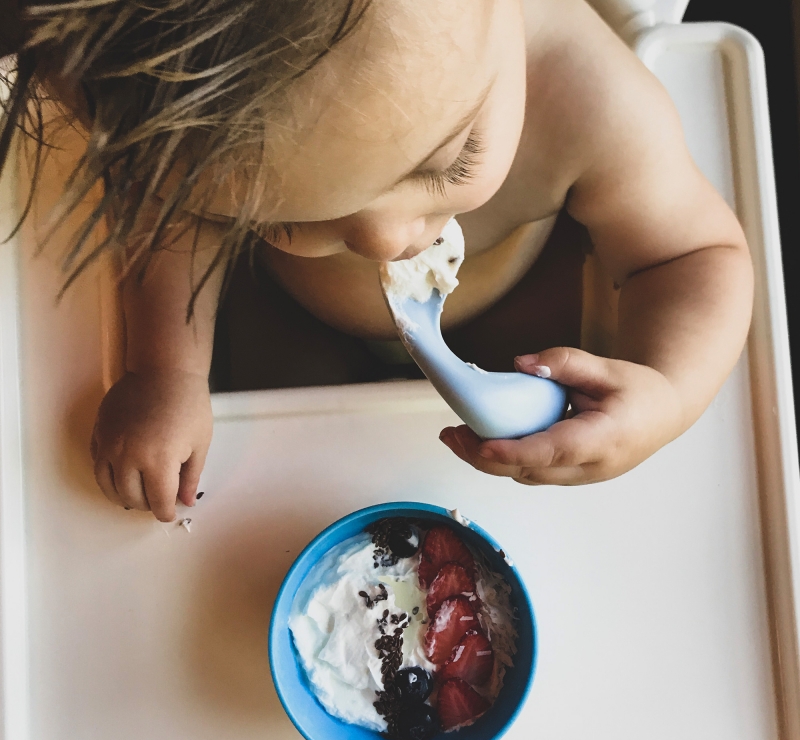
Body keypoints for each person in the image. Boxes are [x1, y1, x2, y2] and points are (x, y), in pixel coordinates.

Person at [0, 0, 753, 522]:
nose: (388, 242)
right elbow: (171, 225)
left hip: (514, 304)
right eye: (289, 218)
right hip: (296, 313)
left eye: (453, 159)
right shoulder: (199, 142)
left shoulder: (588, 100)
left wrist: (666, 394)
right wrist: (165, 371)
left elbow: (694, 255)